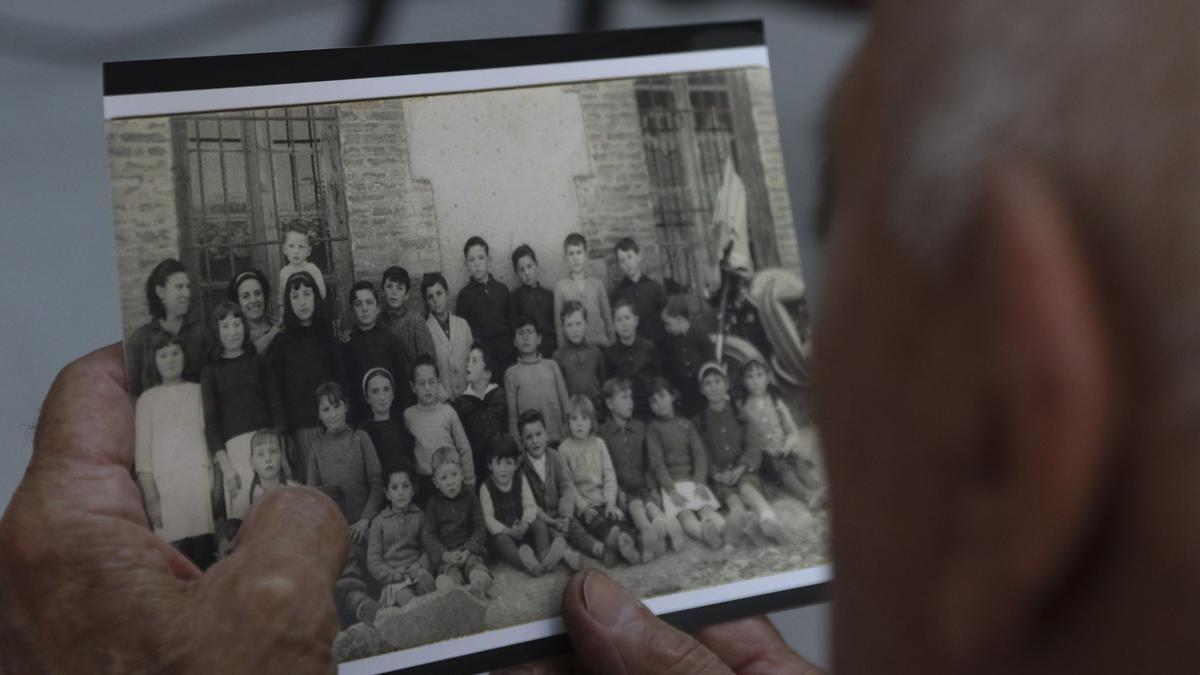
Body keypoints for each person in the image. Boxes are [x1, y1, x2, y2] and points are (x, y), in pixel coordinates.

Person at [16, 2, 1195, 673]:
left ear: (1006, 419)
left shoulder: (589, 357)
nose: (812, 349)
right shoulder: (360, 362)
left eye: (837, 199)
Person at [133, 331, 216, 568]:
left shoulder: (198, 392)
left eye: (175, 353)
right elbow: (143, 458)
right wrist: (151, 499)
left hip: (198, 483)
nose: (170, 360)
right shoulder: (146, 401)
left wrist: (213, 483)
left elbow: (209, 438)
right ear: (154, 361)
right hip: (167, 489)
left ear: (184, 356)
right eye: (163, 355)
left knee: (204, 558)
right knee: (176, 563)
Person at [200, 300, 285, 520]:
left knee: (274, 514)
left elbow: (276, 407)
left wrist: (278, 449)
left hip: (266, 447)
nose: (232, 332)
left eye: (237, 324)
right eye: (225, 326)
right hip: (235, 454)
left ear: (244, 327)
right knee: (245, 519)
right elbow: (211, 424)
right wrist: (227, 468)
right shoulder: (211, 373)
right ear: (216, 332)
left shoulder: (259, 362)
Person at [696, 362, 788, 546]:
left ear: (727, 384)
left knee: (747, 490)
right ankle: (745, 526)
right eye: (708, 383)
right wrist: (716, 474)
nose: (713, 387)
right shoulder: (700, 421)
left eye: (717, 381)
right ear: (702, 390)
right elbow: (701, 453)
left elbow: (753, 445)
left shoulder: (740, 413)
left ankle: (768, 519)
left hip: (743, 469)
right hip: (721, 475)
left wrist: (741, 467)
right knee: (733, 500)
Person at [268, 270, 346, 483]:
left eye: (307, 294)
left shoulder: (327, 337)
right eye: (295, 296)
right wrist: (286, 433)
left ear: (316, 298)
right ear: (288, 302)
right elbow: (278, 392)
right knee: (311, 487)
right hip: (302, 429)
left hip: (332, 423)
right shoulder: (282, 343)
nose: (302, 302)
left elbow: (340, 378)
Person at [598, 376, 677, 560]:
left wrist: (652, 487)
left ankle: (664, 526)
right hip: (622, 491)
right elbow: (605, 470)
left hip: (642, 486)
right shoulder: (603, 433)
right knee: (636, 507)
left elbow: (648, 462)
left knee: (650, 504)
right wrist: (615, 493)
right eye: (623, 398)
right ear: (610, 404)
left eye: (631, 397)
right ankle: (647, 533)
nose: (629, 402)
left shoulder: (640, 427)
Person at [557, 395, 641, 566]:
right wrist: (583, 508)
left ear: (592, 421)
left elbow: (609, 475)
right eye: (574, 419)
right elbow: (568, 485)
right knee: (600, 524)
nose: (579, 423)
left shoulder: (598, 443)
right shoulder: (564, 449)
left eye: (584, 418)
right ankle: (614, 546)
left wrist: (610, 502)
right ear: (567, 422)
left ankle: (629, 544)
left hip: (604, 500)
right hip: (586, 507)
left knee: (620, 519)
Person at [645, 378, 726, 550]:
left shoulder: (686, 425)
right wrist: (670, 490)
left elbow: (699, 455)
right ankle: (703, 534)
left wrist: (700, 482)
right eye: (653, 400)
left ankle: (723, 530)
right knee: (685, 515)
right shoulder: (653, 429)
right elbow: (657, 462)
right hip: (672, 485)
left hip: (693, 481)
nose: (658, 402)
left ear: (672, 396)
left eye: (661, 396)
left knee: (707, 509)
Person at [479, 434, 570, 577]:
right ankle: (528, 565)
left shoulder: (520, 479)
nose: (504, 469)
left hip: (522, 526)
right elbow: (489, 519)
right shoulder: (486, 487)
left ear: (516, 464)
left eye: (508, 463)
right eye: (499, 463)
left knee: (539, 525)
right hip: (505, 533)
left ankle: (545, 557)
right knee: (502, 541)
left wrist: (525, 524)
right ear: (490, 465)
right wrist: (507, 531)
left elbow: (530, 505)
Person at [740, 358, 824, 509]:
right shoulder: (744, 408)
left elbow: (791, 429)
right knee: (781, 467)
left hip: (783, 448)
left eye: (760, 375)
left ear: (768, 378)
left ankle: (818, 488)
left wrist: (787, 445)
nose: (755, 381)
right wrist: (766, 450)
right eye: (750, 376)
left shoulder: (775, 401)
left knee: (796, 460)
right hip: (765, 456)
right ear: (744, 381)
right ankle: (807, 496)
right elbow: (747, 440)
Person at [125, 258, 211, 399]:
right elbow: (131, 395)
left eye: (188, 287)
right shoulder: (139, 341)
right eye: (179, 287)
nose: (187, 294)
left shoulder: (202, 335)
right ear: (160, 292)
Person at [420, 446, 494, 598]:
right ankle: (454, 591)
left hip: (468, 550)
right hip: (447, 554)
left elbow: (480, 527)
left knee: (475, 565)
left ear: (462, 474)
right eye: (444, 478)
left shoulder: (470, 497)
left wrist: (469, 549)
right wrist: (444, 555)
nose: (450, 482)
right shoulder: (433, 504)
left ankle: (478, 584)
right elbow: (429, 536)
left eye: (454, 475)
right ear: (435, 482)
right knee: (448, 573)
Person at [404, 353, 477, 496]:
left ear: (438, 382)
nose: (427, 387)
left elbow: (464, 448)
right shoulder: (408, 416)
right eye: (421, 383)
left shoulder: (448, 412)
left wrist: (469, 482)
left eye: (431, 382)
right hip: (425, 484)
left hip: (452, 480)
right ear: (413, 387)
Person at [341, 280, 414, 423]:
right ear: (352, 309)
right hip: (362, 418)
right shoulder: (347, 344)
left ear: (378, 308)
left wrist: (405, 412)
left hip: (392, 415)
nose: (364, 309)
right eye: (358, 304)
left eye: (369, 303)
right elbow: (347, 384)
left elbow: (403, 379)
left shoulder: (390, 339)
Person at [366, 464, 437, 610]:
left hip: (417, 572)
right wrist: (392, 574)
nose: (401, 493)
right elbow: (373, 560)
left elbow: (429, 548)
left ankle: (434, 604)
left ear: (413, 490)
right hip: (395, 580)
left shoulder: (420, 516)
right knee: (406, 599)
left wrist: (420, 565)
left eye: (405, 486)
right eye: (395, 488)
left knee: (427, 585)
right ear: (387, 493)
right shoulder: (379, 522)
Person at [505, 314, 571, 443]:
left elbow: (565, 402)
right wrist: (517, 442)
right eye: (520, 333)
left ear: (539, 339)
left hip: (557, 437)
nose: (525, 337)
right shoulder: (511, 373)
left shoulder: (552, 365)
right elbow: (512, 416)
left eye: (530, 332)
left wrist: (568, 429)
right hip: (531, 441)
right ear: (514, 342)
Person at [456, 236, 516, 369]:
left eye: (481, 258)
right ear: (466, 264)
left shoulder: (502, 289)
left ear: (488, 259)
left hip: (508, 356)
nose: (477, 263)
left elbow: (512, 324)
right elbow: (463, 335)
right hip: (484, 362)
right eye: (472, 260)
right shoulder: (464, 296)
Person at [452, 343, 507, 486]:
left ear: (487, 373)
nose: (468, 365)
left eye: (474, 361)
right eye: (468, 360)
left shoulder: (499, 396)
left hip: (501, 465)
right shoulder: (461, 403)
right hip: (476, 470)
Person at [553, 232, 614, 348]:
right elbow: (559, 325)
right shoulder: (560, 287)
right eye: (571, 254)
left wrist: (613, 346)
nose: (575, 258)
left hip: (601, 345)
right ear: (566, 257)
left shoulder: (597, 284)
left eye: (579, 252)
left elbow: (608, 319)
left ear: (585, 255)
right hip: (575, 349)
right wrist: (563, 351)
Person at [604, 298, 661, 420]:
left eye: (627, 318)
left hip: (648, 409)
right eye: (619, 320)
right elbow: (609, 386)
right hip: (625, 412)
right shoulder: (609, 354)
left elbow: (657, 377)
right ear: (614, 326)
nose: (624, 323)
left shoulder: (648, 347)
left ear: (636, 320)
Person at [611, 236, 668, 355]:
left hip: (659, 349)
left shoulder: (655, 287)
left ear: (639, 256)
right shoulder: (617, 293)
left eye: (629, 257)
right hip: (632, 354)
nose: (627, 263)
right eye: (622, 260)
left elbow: (666, 319)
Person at [661, 296, 716, 417]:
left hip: (703, 392)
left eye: (668, 324)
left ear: (679, 319)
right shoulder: (669, 343)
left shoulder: (700, 337)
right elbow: (668, 369)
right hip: (685, 394)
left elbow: (711, 362)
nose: (666, 328)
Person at [421, 271, 473, 399]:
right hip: (444, 400)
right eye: (430, 297)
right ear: (426, 301)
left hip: (468, 395)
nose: (436, 300)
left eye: (439, 293)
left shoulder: (463, 324)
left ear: (447, 293)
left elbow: (473, 360)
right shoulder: (425, 330)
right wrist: (443, 397)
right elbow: (428, 370)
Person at [359, 367, 416, 474]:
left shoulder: (403, 424)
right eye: (375, 391)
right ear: (367, 397)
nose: (382, 397)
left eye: (386, 389)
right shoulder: (365, 431)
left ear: (393, 393)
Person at [553, 299, 607, 412]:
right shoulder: (558, 356)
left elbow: (603, 384)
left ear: (586, 324)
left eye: (578, 324)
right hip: (573, 414)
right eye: (569, 325)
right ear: (563, 328)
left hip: (596, 412)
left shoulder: (596, 353)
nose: (575, 329)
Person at [510, 243, 558, 357]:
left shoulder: (549, 295)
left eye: (529, 266)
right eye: (521, 270)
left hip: (551, 351)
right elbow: (515, 329)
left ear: (536, 264)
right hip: (529, 354)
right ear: (516, 273)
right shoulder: (514, 297)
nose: (527, 273)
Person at [380, 265, 435, 363]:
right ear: (383, 291)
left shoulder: (416, 321)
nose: (394, 292)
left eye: (399, 288)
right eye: (389, 286)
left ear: (406, 295)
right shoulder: (377, 320)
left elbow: (427, 359)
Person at [275, 224, 327, 314]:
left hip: (312, 311)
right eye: (291, 246)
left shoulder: (312, 269)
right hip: (292, 313)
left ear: (308, 251)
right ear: (284, 249)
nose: (296, 251)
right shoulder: (284, 272)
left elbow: (322, 294)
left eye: (301, 247)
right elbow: (282, 299)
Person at [228, 269, 282, 354]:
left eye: (257, 293)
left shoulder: (281, 326)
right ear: (237, 302)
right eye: (245, 296)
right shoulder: (237, 337)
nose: (253, 300)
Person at [246, 428, 299, 505]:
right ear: (252, 463)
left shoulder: (295, 491)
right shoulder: (248, 500)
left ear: (282, 457)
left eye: (273, 451)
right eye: (261, 454)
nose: (268, 458)